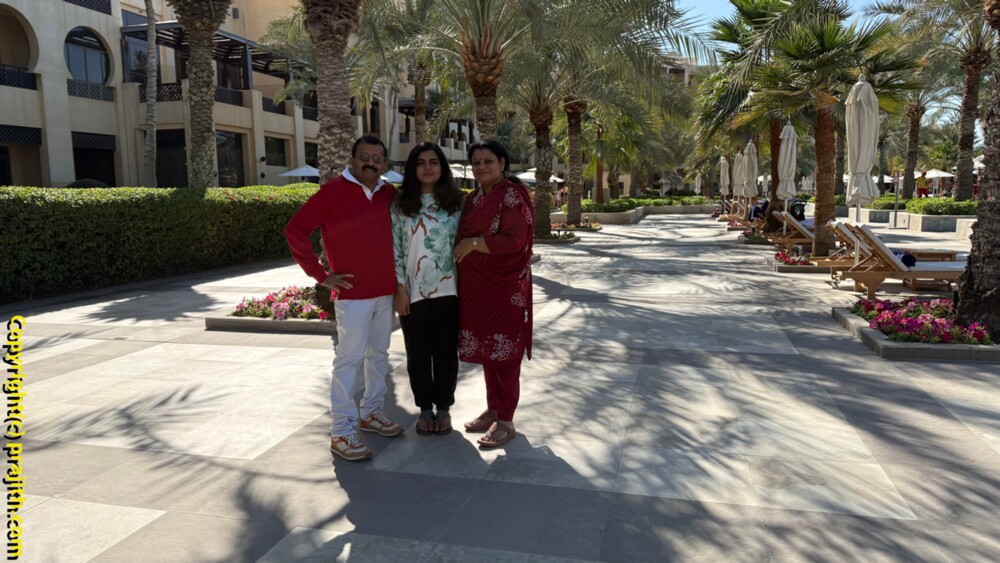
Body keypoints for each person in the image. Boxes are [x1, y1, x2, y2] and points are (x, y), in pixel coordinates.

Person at [285, 135, 404, 462]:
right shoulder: (333, 192)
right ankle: (341, 431)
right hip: (353, 296)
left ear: (385, 164)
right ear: (352, 160)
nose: (371, 163)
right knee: (348, 361)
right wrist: (320, 275)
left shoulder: (390, 194)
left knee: (378, 356)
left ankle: (371, 412)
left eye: (377, 158)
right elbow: (295, 230)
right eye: (364, 156)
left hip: (385, 292)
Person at [453, 140, 534, 448]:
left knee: (506, 353)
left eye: (488, 161)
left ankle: (507, 420)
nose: (481, 167)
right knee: (490, 351)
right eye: (476, 162)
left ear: (502, 163)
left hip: (505, 287)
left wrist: (473, 243)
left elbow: (514, 240)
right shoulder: (473, 198)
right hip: (476, 288)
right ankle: (493, 409)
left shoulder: (512, 195)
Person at [392, 143, 464, 435]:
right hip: (413, 293)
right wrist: (400, 288)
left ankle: (443, 408)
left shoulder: (456, 203)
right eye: (421, 162)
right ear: (412, 169)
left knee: (446, 352)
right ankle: (424, 409)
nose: (428, 167)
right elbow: (395, 249)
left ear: (442, 167)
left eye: (434, 162)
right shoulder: (400, 205)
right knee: (417, 354)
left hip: (450, 291)